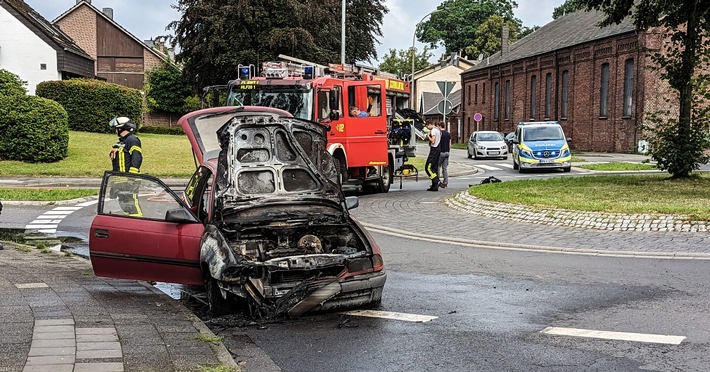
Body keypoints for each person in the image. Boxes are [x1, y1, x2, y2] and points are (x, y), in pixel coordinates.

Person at [108, 116, 143, 217]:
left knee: (132, 207)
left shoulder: (132, 140)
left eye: (116, 128)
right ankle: (128, 225)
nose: (115, 131)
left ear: (121, 128)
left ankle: (138, 226)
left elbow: (137, 158)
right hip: (121, 182)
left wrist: (131, 178)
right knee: (125, 206)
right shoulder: (121, 143)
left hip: (129, 181)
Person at [424, 121, 441, 191]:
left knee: (428, 168)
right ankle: (434, 186)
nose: (427, 128)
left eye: (427, 126)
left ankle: (436, 180)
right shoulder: (437, 130)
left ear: (430, 125)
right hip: (438, 150)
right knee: (434, 168)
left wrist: (428, 136)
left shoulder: (433, 131)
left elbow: (433, 141)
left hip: (434, 150)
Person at [438, 122, 451, 188]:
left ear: (440, 126)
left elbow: (438, 143)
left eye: (438, 126)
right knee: (445, 169)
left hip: (441, 152)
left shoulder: (440, 134)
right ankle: (445, 182)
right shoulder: (448, 134)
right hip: (447, 152)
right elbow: (450, 144)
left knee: (437, 167)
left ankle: (437, 181)